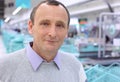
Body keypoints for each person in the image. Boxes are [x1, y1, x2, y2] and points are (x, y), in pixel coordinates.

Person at [0, 0, 87, 82]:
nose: (52, 33)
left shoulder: (75, 66)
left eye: (60, 25)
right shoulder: (4, 67)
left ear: (66, 31)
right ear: (30, 27)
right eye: (45, 24)